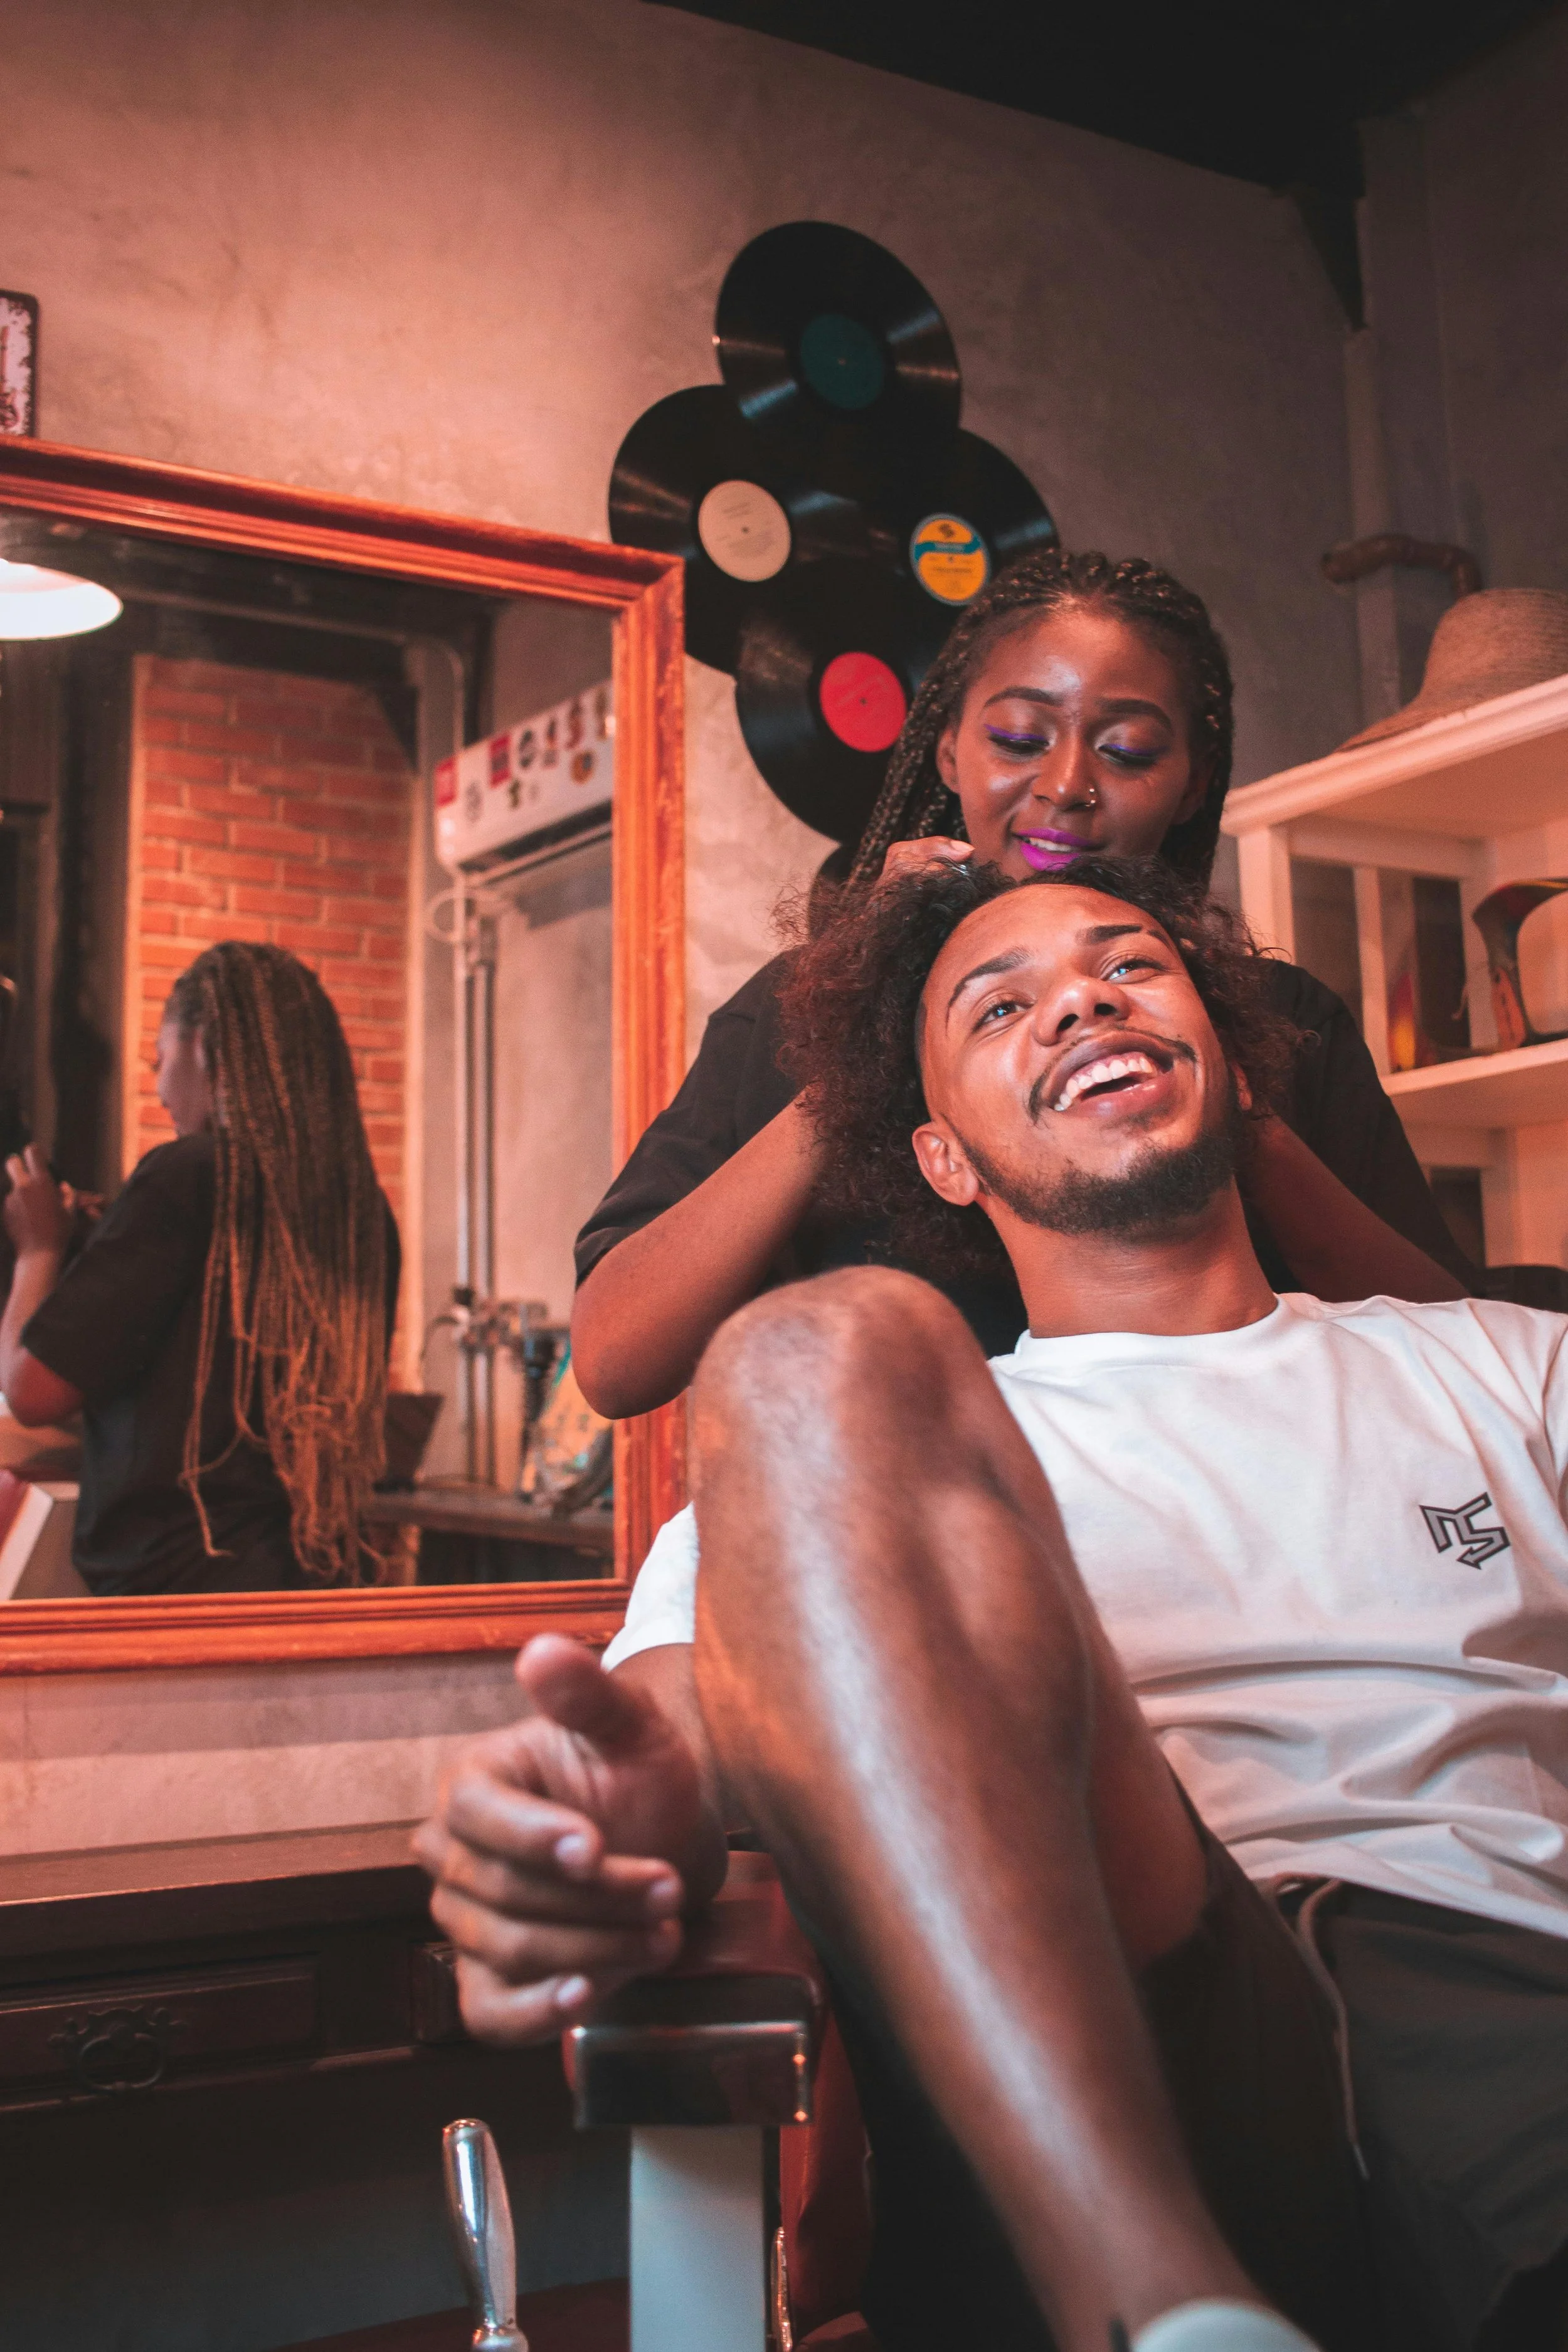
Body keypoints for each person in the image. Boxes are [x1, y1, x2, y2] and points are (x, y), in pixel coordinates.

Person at [418, 857, 1568, 2352]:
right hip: (1119, 2029)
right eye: (999, 1004)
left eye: (1128, 966)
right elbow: (678, 1731)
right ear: (944, 1156)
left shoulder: (1500, 1362)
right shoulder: (871, 1459)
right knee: (797, 1352)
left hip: (1505, 2002)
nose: (1082, 997)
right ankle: (1169, 2304)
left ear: (1227, 1063)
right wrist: (597, 1811)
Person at [572, 549, 1474, 1418]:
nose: (1067, 784)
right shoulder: (794, 1011)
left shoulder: (1277, 1017)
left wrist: (1226, 1094)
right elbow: (617, 1363)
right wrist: (863, 1028)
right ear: (949, 752)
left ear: (1193, 786)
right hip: (921, 1535)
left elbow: (1450, 1347)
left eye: (1126, 752)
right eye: (1016, 737)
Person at [0, 941, 399, 1594]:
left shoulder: (188, 1175)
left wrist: (40, 1247)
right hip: (307, 1580)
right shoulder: (360, 1214)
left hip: (179, 1586)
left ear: (207, 1048)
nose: (160, 1092)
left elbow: (31, 1391)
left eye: (160, 1061)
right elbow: (196, 1397)